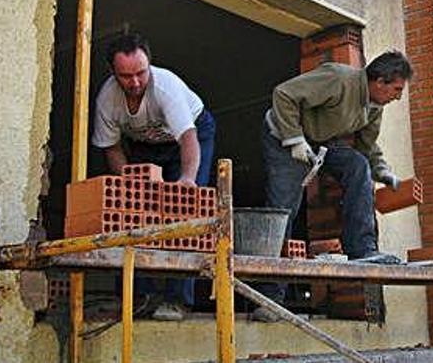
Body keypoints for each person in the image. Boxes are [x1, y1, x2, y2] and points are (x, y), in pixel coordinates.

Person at [254, 51, 412, 321]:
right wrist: (293, 139)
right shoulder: (339, 79)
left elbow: (366, 147)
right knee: (284, 209)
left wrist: (381, 170)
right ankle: (269, 299)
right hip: (283, 134)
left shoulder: (374, 107)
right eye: (396, 89)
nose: (397, 97)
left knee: (357, 166)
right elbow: (283, 94)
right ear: (380, 82)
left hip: (320, 143)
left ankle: (363, 250)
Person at [92, 32, 216, 321]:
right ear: (113, 72)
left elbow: (188, 138)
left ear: (150, 66)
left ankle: (177, 299)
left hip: (191, 136)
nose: (135, 83)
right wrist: (130, 183)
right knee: (134, 211)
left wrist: (187, 179)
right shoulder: (106, 100)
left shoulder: (166, 88)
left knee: (186, 211)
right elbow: (111, 148)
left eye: (140, 73)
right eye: (126, 76)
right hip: (144, 146)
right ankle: (138, 296)